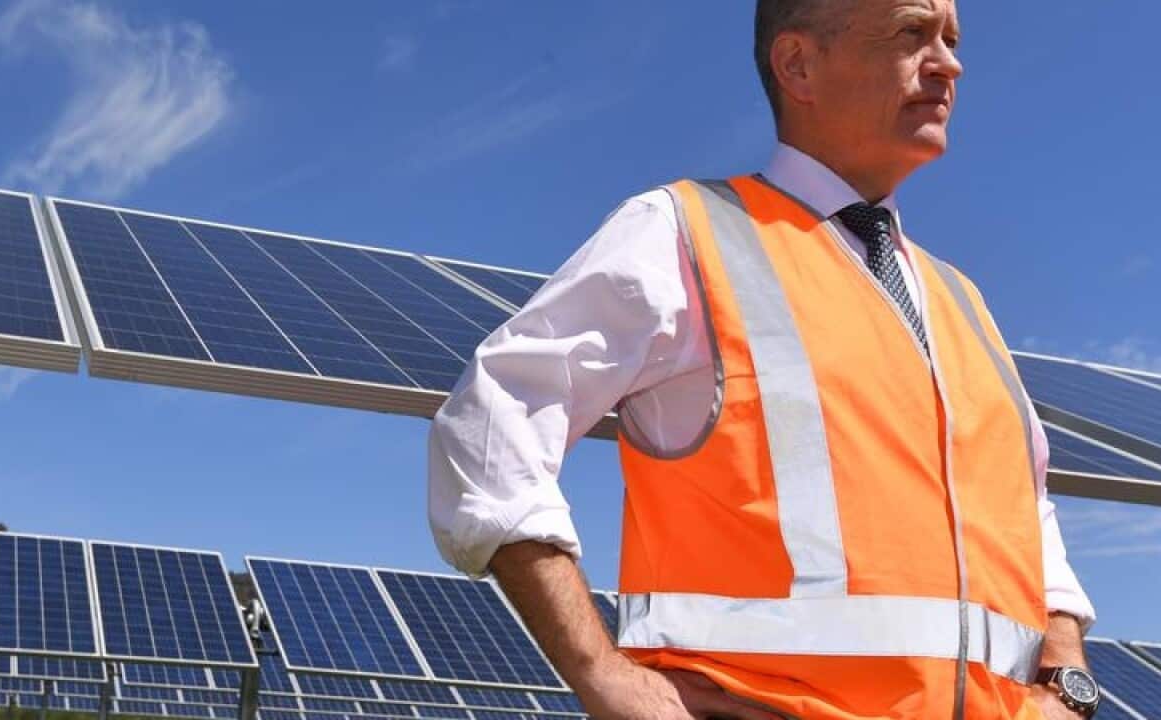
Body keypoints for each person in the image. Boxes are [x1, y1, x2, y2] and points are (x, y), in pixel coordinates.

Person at [428, 1, 1099, 718]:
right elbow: (494, 413)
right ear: (798, 65)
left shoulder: (960, 298)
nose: (949, 63)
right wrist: (604, 674)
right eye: (912, 33)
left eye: (952, 39)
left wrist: (1064, 672)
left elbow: (1027, 506)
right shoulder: (683, 232)